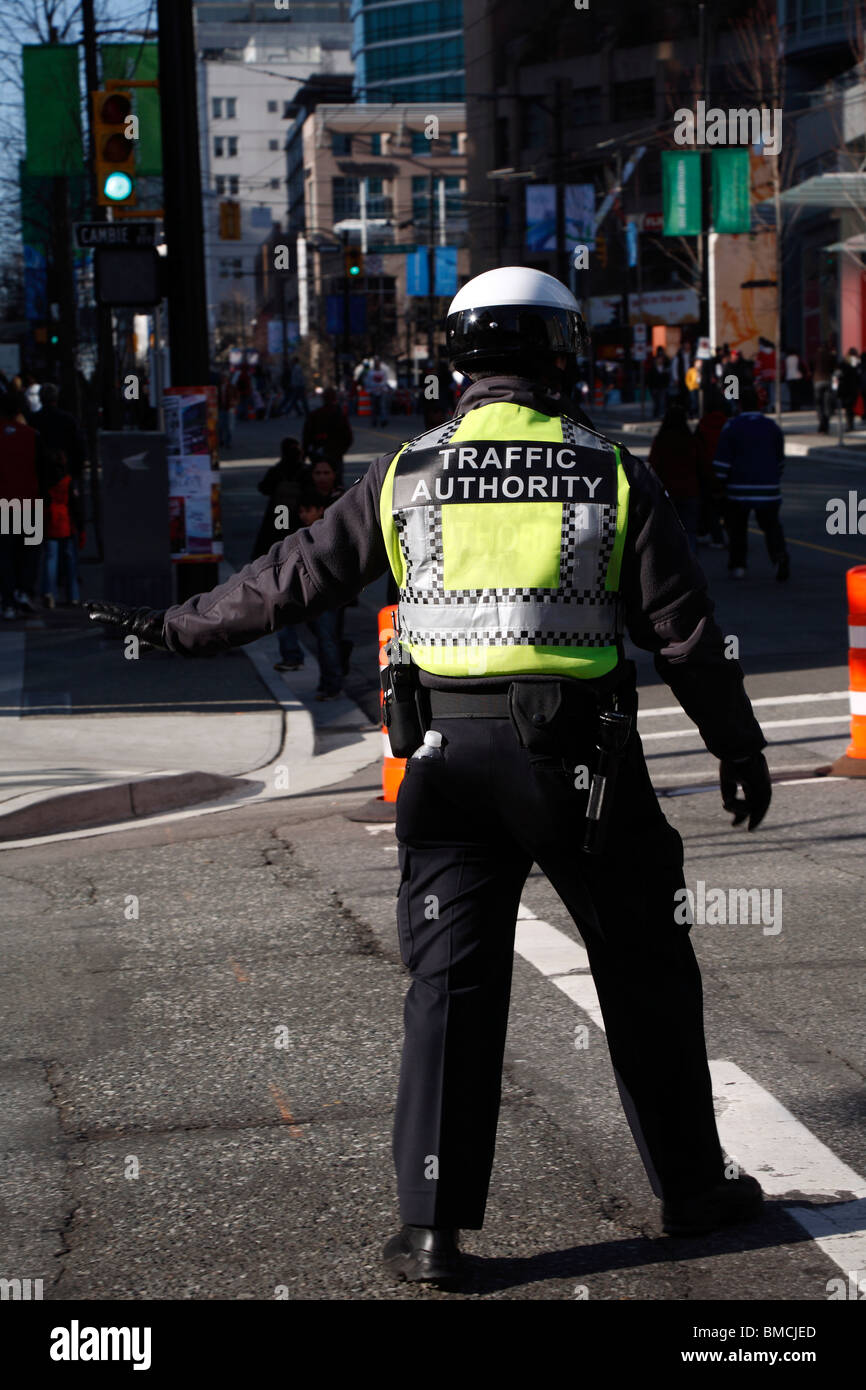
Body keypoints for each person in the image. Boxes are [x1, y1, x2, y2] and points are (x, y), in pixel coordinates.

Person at [86, 266, 772, 1285]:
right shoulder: (606, 469)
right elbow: (684, 634)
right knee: (645, 972)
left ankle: (432, 1230)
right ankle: (688, 1187)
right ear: (556, 351)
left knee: (449, 986)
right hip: (584, 768)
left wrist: (175, 628)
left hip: (445, 764)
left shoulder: (405, 472)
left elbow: (293, 577)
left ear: (457, 357)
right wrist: (736, 747)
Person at [270, 490, 344, 699]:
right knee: (294, 627)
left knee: (326, 641)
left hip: (326, 594)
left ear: (320, 511)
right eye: (301, 511)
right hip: (304, 591)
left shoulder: (329, 531)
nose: (304, 515)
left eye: (308, 511)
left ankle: (331, 685)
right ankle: (297, 660)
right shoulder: (295, 530)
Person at [712, 387, 789, 581]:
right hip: (769, 488)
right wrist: (773, 478)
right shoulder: (772, 427)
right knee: (772, 526)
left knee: (738, 528)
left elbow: (722, 463)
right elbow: (780, 460)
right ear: (759, 404)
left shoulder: (732, 427)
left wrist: (719, 484)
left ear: (739, 405)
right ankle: (779, 557)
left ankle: (738, 565)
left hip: (739, 489)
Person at [0, 392, 44, 618]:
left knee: (5, 554)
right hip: (30, 502)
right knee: (29, 552)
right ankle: (23, 592)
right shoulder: (32, 435)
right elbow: (43, 469)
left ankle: (7, 600)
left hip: (3, 502)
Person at [647, 404, 713, 553]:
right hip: (690, 490)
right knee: (689, 532)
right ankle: (691, 565)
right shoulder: (691, 441)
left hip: (667, 492)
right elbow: (703, 465)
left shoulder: (661, 441)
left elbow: (653, 466)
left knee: (666, 531)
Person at [40, 447, 84, 606]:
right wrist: (81, 527)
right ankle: (73, 595)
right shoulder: (68, 481)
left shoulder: (45, 482)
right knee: (70, 561)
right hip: (66, 524)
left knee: (50, 560)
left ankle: (49, 592)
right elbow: (76, 506)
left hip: (49, 523)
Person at [250, 438, 305, 564]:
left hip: (280, 511)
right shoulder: (304, 470)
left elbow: (264, 487)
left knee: (278, 538)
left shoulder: (277, 470)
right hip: (297, 511)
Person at [694, 387, 728, 548]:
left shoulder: (703, 425)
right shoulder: (728, 425)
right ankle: (720, 534)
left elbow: (697, 447)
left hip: (707, 469)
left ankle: (710, 533)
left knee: (708, 505)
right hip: (726, 468)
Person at [35, 383, 87, 481]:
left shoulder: (33, 420)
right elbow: (78, 446)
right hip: (64, 470)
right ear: (56, 398)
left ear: (40, 399)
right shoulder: (68, 419)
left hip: (41, 471)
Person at [302, 387, 353, 484]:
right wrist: (340, 451)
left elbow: (306, 437)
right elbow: (348, 437)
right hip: (335, 454)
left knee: (317, 483)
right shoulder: (339, 415)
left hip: (318, 453)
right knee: (337, 483)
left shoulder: (315, 415)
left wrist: (307, 453)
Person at [813, 341, 836, 434]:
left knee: (819, 404)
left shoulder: (816, 356)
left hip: (817, 381)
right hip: (828, 380)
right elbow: (834, 368)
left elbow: (811, 367)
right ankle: (826, 424)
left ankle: (821, 424)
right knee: (827, 403)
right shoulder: (831, 356)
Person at [837, 348, 861, 432]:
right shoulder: (856, 362)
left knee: (848, 408)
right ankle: (850, 424)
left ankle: (849, 425)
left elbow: (838, 375)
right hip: (853, 388)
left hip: (845, 388)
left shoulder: (843, 362)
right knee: (850, 407)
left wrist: (836, 387)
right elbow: (858, 375)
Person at [365, 356, 389, 428]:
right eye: (375, 361)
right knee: (374, 407)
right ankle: (374, 420)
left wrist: (382, 387)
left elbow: (385, 381)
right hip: (373, 392)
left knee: (382, 406)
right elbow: (368, 382)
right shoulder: (370, 372)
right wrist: (370, 389)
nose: (377, 363)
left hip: (381, 391)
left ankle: (383, 420)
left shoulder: (383, 372)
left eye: (378, 361)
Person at [217, 370, 239, 448]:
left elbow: (237, 397)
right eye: (222, 377)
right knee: (220, 426)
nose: (223, 379)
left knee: (230, 427)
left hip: (230, 408)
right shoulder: (217, 387)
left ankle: (228, 442)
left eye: (225, 377)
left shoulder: (232, 387)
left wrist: (235, 403)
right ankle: (221, 441)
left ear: (227, 378)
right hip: (220, 409)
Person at [784, 347, 803, 411]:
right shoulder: (797, 358)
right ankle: (798, 406)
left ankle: (793, 406)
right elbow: (801, 366)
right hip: (797, 376)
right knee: (797, 393)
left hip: (789, 377)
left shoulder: (787, 359)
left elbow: (785, 368)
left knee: (792, 393)